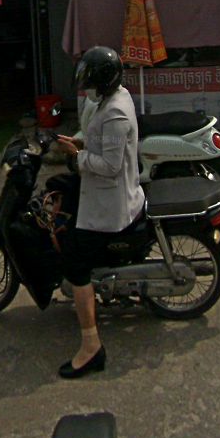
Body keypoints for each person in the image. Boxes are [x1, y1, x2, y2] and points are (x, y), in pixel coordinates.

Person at [54, 45, 144, 379]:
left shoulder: (116, 112)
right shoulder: (107, 100)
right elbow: (95, 135)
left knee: (75, 263)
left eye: (90, 83)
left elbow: (109, 165)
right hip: (100, 193)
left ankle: (91, 346)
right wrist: (77, 142)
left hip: (111, 207)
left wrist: (76, 158)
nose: (86, 89)